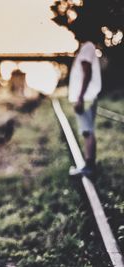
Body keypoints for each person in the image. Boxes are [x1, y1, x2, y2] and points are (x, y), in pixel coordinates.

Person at [68, 32, 102, 177]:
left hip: (85, 97)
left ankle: (89, 167)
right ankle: (90, 165)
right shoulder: (88, 47)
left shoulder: (87, 46)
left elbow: (86, 72)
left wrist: (80, 97)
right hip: (87, 97)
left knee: (87, 131)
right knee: (88, 130)